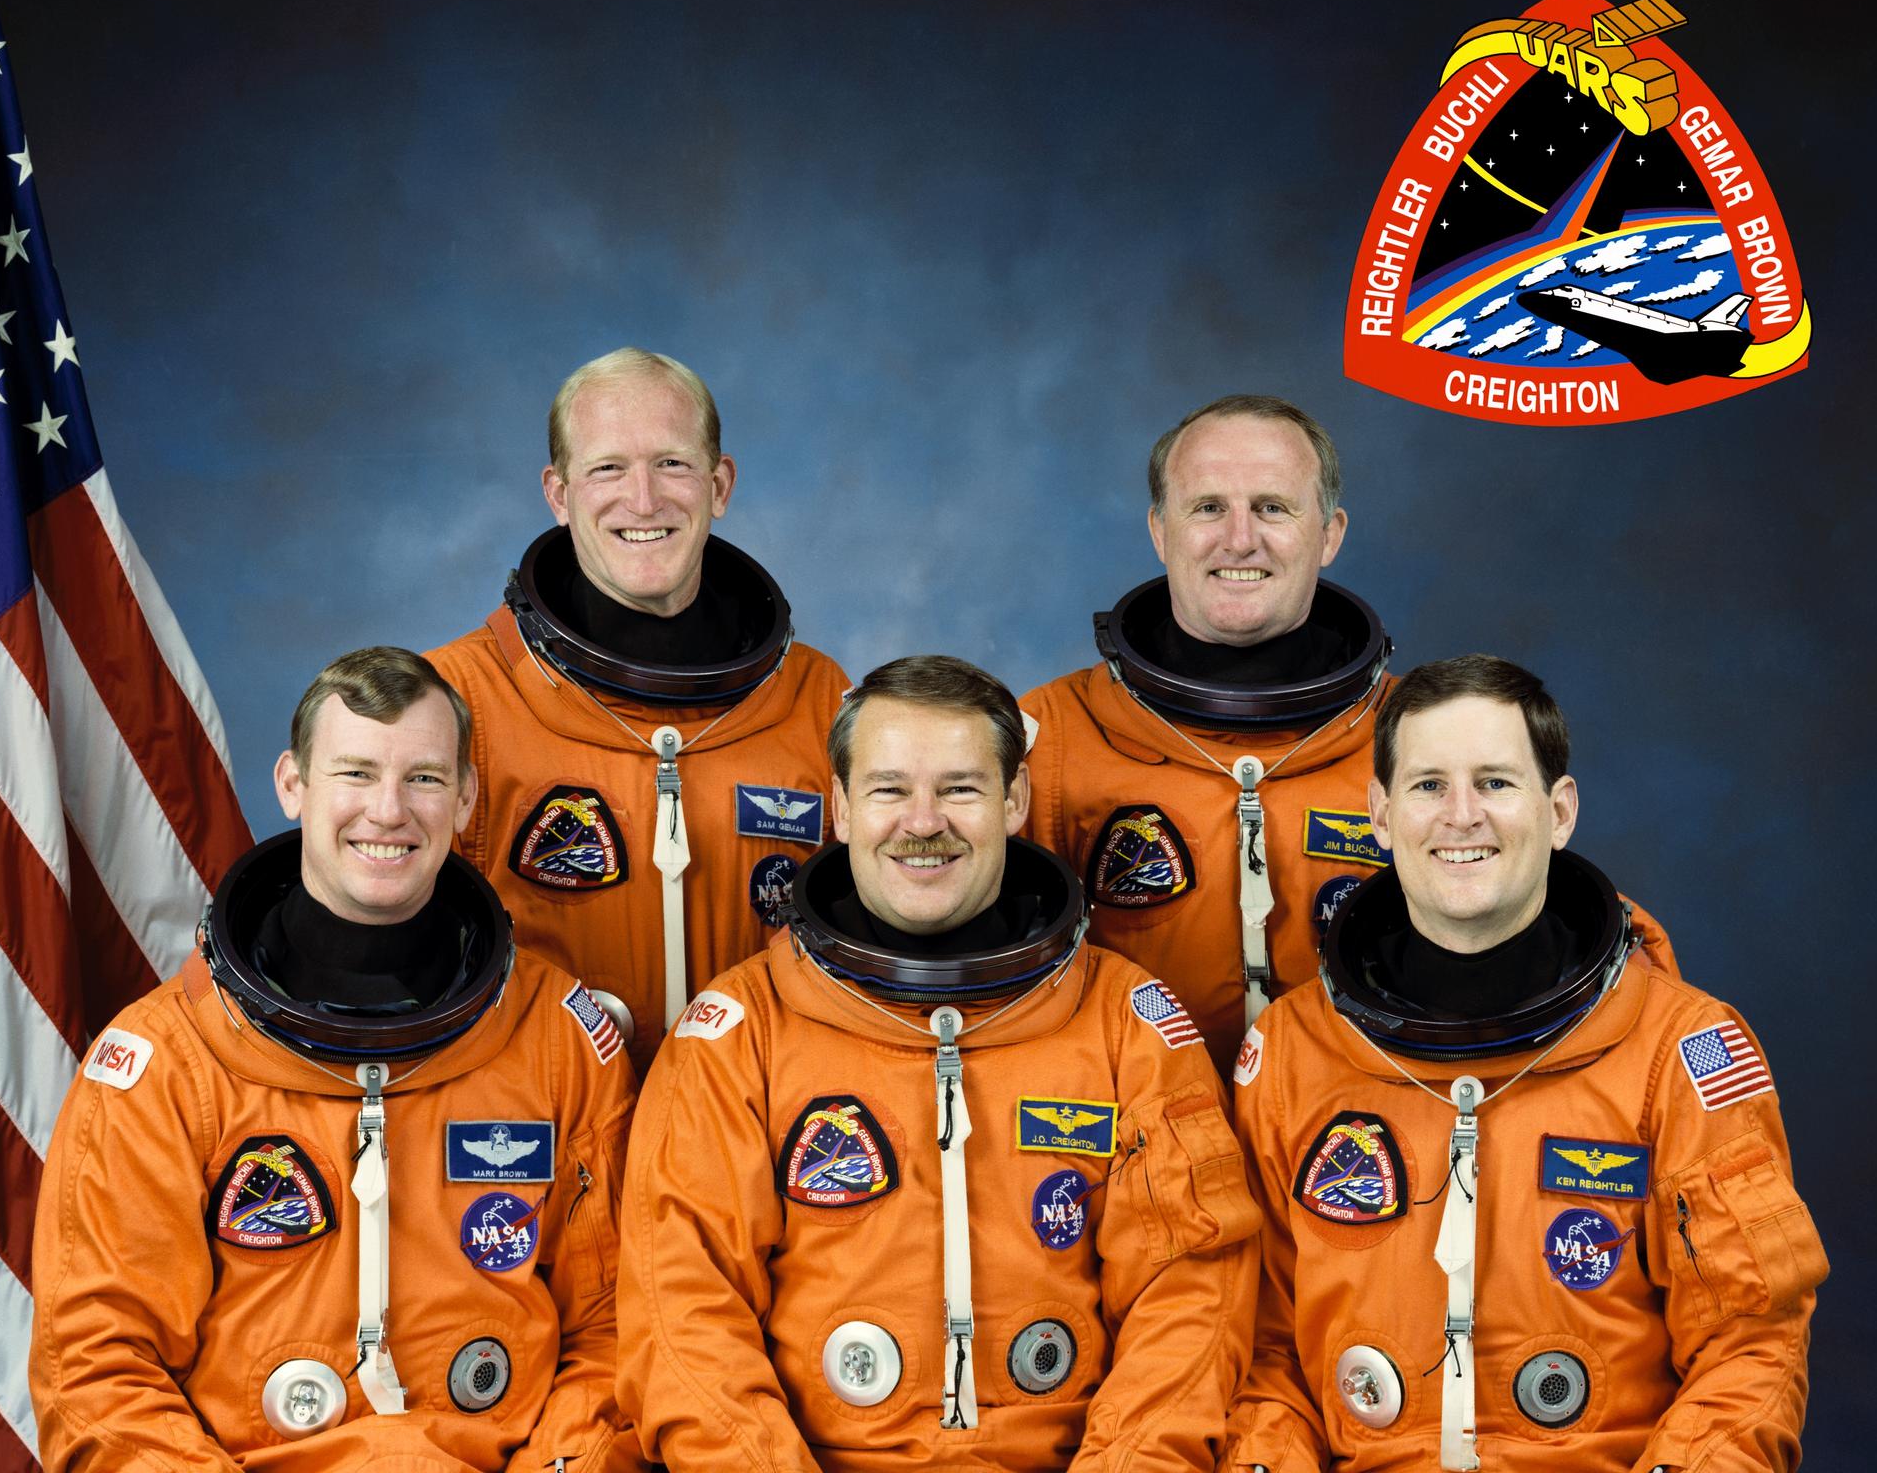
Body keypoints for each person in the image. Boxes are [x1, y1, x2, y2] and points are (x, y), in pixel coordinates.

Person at [618, 655, 1259, 1470]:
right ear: (842, 808)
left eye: (960, 788)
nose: (924, 822)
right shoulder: (742, 1033)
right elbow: (682, 1318)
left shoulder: (1125, 1024)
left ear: (1014, 801)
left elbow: (1191, 1297)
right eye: (888, 790)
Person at [30, 648, 640, 1472]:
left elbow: (615, 1330)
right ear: (293, 785)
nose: (388, 812)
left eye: (424, 778)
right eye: (355, 772)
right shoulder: (166, 1063)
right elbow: (96, 1372)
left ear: (465, 797)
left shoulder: (557, 1040)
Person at [1226, 655, 1824, 1473]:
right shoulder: (1293, 1052)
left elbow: (1749, 1347)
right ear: (1379, 813)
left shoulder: (1682, 1051)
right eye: (1429, 785)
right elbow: (1261, 1354)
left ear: (1560, 811)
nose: (1461, 816)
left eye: (1497, 784)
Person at [430, 348, 849, 1073]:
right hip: (540, 1132)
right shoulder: (457, 698)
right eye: (608, 469)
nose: (645, 500)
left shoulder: (814, 698)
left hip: (752, 1130)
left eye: (673, 465)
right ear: (558, 494)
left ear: (720, 485)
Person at [1021, 395, 1393, 1076]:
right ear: (1161, 531)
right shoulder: (1048, 739)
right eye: (1208, 507)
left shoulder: (1421, 740)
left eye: (1273, 507)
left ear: (1330, 534)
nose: (1240, 538)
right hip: (1130, 1151)